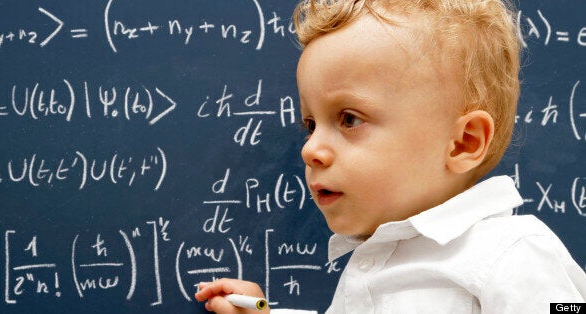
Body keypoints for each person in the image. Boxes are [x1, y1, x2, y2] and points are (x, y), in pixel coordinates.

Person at [195, 0, 586, 312]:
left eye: (349, 119)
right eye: (311, 125)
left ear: (463, 142)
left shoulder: (513, 254)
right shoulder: (377, 262)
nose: (310, 149)